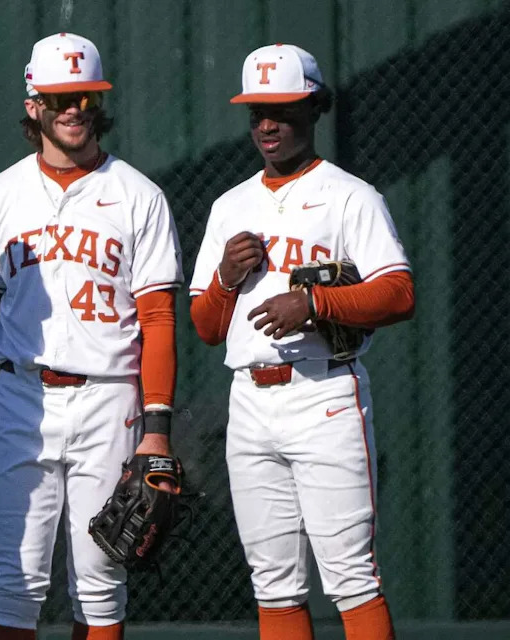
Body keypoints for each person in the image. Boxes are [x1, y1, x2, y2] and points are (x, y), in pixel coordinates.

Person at [0, 33, 183, 640]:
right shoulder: (2, 193)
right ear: (33, 106)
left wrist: (157, 429)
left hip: (109, 399)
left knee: (100, 584)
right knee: (13, 582)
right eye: (59, 97)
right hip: (22, 397)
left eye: (85, 97)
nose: (73, 109)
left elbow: (158, 320)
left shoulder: (138, 195)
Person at [188, 43, 414, 640]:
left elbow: (398, 293)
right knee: (273, 583)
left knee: (352, 579)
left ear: (315, 109)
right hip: (250, 403)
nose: (267, 124)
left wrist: (315, 302)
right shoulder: (229, 205)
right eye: (257, 111)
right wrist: (224, 279)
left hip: (326, 396)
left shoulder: (351, 195)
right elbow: (207, 328)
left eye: (282, 110)